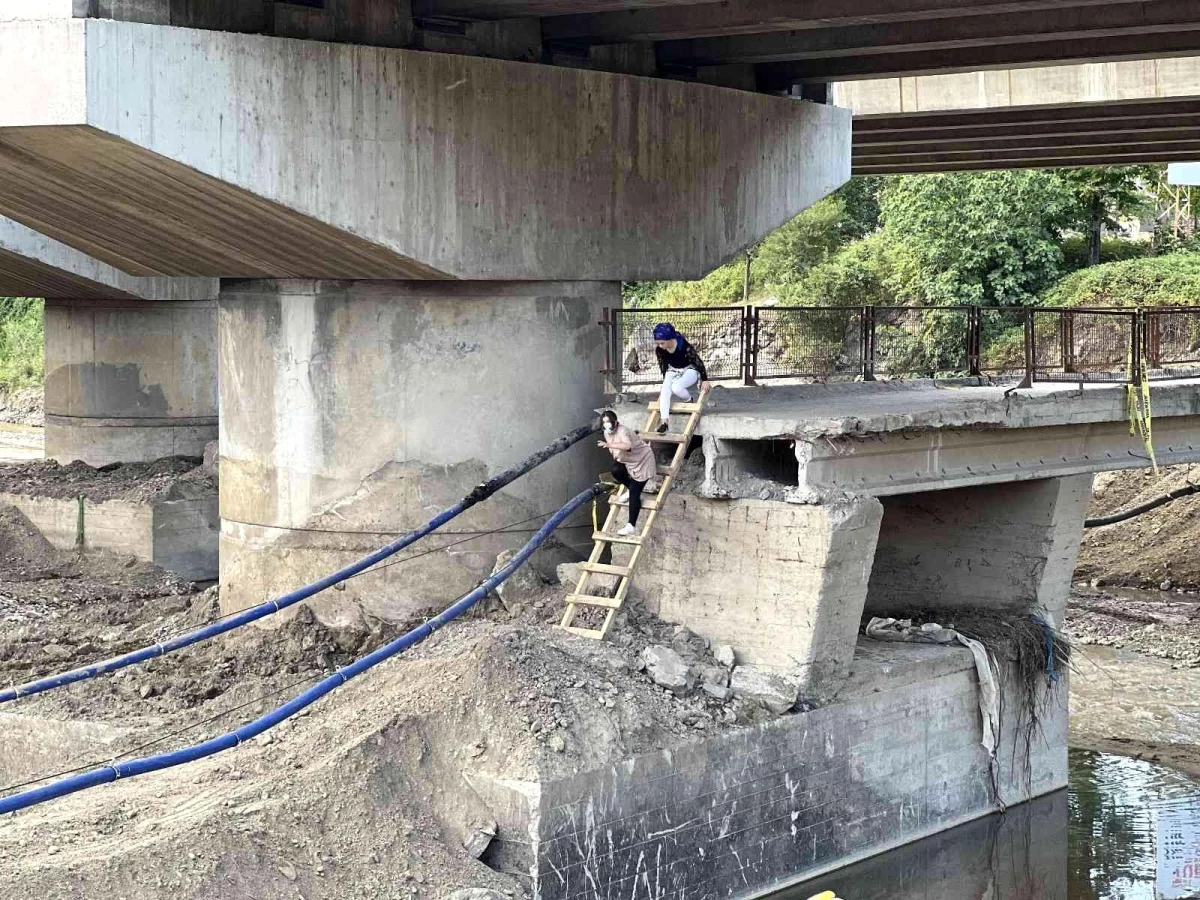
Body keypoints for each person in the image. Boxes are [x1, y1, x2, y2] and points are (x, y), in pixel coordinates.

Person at [598, 409, 656, 536]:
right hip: (628, 461)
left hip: (643, 461)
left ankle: (631, 525)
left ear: (614, 421)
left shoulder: (622, 430)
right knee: (616, 470)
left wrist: (609, 446)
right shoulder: (607, 433)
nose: (606, 424)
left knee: (635, 491)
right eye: (604, 422)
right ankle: (632, 491)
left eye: (608, 421)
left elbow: (627, 446)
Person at [652, 322, 709, 433]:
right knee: (665, 391)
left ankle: (689, 400)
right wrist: (666, 381)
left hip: (690, 369)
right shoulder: (659, 350)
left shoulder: (684, 346)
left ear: (670, 339)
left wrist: (704, 379)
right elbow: (663, 365)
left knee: (677, 387)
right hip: (673, 370)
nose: (660, 346)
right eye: (658, 343)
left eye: (662, 343)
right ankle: (665, 422)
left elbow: (698, 362)